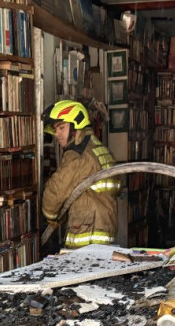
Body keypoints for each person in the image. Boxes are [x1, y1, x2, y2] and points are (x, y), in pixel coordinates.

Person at [41, 100, 120, 249]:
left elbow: (55, 193)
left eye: (61, 127)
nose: (57, 134)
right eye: (55, 129)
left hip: (85, 235)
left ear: (76, 125)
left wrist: (50, 215)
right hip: (103, 230)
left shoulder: (77, 154)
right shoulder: (98, 148)